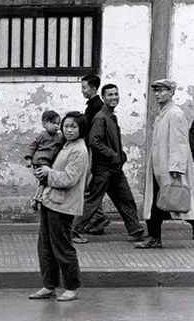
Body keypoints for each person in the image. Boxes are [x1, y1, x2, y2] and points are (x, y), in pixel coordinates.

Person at [28, 111, 89, 302]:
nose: (68, 130)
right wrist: (43, 178)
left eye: (73, 126)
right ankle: (49, 285)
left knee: (62, 247)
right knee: (46, 247)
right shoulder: (65, 145)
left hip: (64, 205)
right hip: (51, 201)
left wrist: (48, 172)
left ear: (81, 129)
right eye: (66, 126)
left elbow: (70, 178)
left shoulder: (78, 150)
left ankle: (71, 286)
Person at [73, 84, 146, 242]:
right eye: (110, 95)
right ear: (103, 97)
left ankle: (135, 231)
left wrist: (121, 154)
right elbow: (94, 141)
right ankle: (72, 231)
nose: (114, 98)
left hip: (114, 169)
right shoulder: (101, 117)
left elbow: (109, 141)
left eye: (116, 94)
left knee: (126, 199)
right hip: (104, 169)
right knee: (92, 202)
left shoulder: (111, 116)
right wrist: (113, 154)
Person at [136, 79, 194, 248]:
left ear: (171, 93)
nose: (158, 94)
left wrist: (176, 167)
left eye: (162, 90)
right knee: (162, 203)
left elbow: (179, 142)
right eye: (156, 91)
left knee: (179, 202)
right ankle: (154, 237)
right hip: (159, 168)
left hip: (169, 169)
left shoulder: (175, 114)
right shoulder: (163, 113)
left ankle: (155, 237)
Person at [72, 74, 109, 243]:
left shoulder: (97, 108)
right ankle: (99, 219)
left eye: (84, 88)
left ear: (94, 89)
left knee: (88, 189)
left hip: (93, 152)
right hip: (92, 151)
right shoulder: (93, 106)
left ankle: (74, 228)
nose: (82, 91)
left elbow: (90, 131)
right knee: (92, 188)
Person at [24, 110, 63, 210]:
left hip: (49, 163)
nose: (56, 126)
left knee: (44, 181)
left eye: (58, 124)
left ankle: (35, 199)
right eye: (53, 123)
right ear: (44, 124)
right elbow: (32, 146)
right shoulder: (42, 135)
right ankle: (38, 197)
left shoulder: (59, 136)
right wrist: (29, 158)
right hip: (40, 161)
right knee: (44, 179)